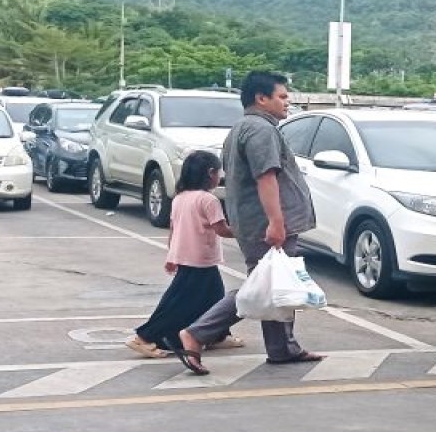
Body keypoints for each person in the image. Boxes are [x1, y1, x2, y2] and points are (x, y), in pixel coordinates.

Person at [176, 71, 324, 375]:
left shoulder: (244, 127)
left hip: (254, 220)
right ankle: (197, 333)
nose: (287, 102)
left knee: (275, 283)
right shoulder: (259, 130)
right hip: (264, 223)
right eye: (282, 96)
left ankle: (283, 348)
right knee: (260, 285)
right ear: (261, 98)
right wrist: (276, 222)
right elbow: (265, 177)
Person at [125, 151, 241, 358]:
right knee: (177, 303)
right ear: (210, 173)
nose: (219, 177)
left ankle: (218, 335)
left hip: (189, 257)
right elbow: (222, 229)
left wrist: (172, 255)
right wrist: (248, 232)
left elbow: (173, 229)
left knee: (215, 298)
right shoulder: (208, 200)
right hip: (199, 260)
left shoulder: (180, 198)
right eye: (218, 173)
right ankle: (143, 337)